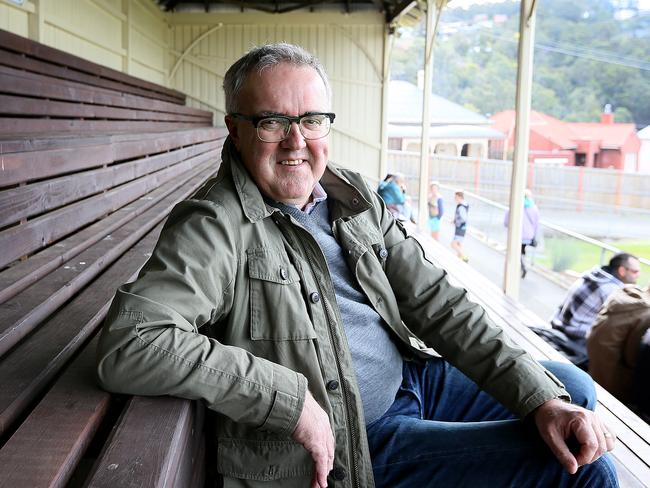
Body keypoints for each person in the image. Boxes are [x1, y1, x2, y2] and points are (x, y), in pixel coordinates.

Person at [96, 43, 617, 488]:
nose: (296, 141)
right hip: (361, 438)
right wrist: (289, 399)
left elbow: (438, 302)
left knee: (570, 393)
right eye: (273, 122)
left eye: (312, 120)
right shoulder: (215, 224)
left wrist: (543, 398)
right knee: (587, 472)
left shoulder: (350, 194)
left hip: (410, 380)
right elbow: (131, 342)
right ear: (235, 129)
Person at [545, 253, 641, 368]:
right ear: (622, 270)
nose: (638, 275)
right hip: (574, 338)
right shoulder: (610, 289)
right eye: (635, 272)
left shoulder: (594, 274)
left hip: (558, 325)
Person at [587, 285, 650, 409]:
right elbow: (631, 356)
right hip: (612, 373)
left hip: (593, 357)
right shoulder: (646, 313)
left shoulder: (624, 293)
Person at [504, 188, 540, 278]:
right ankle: (523, 265)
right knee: (522, 250)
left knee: (516, 250)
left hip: (516, 233)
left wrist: (508, 225)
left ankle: (521, 266)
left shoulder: (516, 205)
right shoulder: (534, 208)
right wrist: (534, 234)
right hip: (528, 235)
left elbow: (507, 219)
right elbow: (536, 224)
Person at [451, 189, 469, 262]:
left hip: (460, 228)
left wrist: (456, 221)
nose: (454, 199)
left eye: (455, 197)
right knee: (459, 244)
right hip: (462, 228)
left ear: (459, 197)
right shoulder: (464, 205)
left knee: (453, 244)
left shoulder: (461, 206)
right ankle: (459, 259)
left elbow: (464, 218)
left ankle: (464, 257)